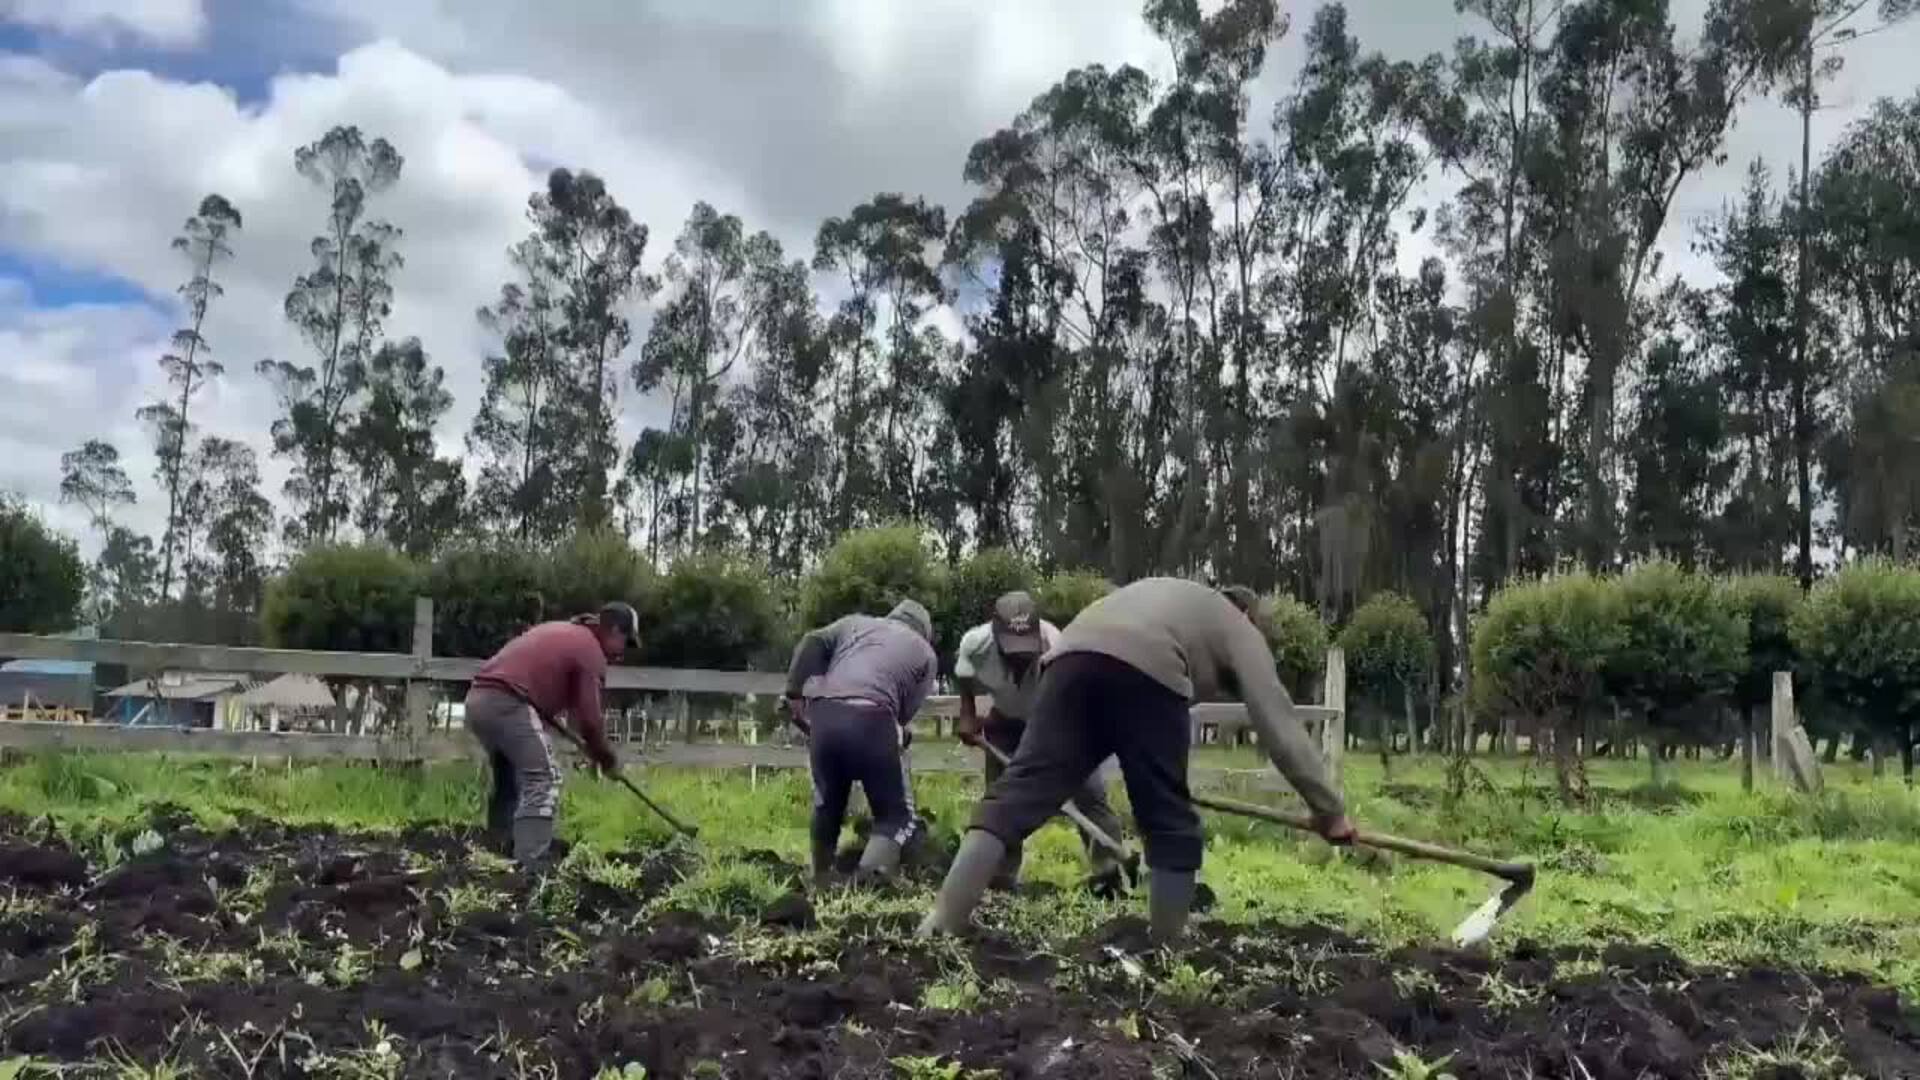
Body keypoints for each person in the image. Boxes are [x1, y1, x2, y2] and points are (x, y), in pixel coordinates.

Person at [919, 578, 1355, 944]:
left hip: (1068, 662)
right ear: (1248, 616)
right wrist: (1329, 811)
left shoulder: (1174, 599)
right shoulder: (1240, 630)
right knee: (1167, 817)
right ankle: (1166, 948)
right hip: (1148, 664)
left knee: (1016, 792)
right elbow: (1279, 724)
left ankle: (940, 925)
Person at [954, 590, 1125, 893]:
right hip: (1006, 724)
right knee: (1002, 799)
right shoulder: (975, 644)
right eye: (1012, 650)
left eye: (1025, 650)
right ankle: (1001, 880)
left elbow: (1068, 701)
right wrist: (968, 715)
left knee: (1089, 794)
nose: (1020, 659)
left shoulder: (1056, 643)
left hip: (1060, 720)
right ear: (995, 632)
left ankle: (1109, 873)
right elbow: (965, 680)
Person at [465, 602, 636, 868]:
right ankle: (532, 863)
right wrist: (607, 759)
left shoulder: (563, 631)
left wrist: (594, 749)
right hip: (508, 700)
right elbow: (590, 721)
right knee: (545, 777)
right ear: (614, 630)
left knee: (509, 777)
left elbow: (575, 715)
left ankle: (499, 850)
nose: (622, 655)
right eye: (626, 643)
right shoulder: (589, 650)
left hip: (479, 699)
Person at [782, 599, 937, 883]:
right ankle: (866, 883)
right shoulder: (925, 654)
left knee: (828, 805)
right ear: (924, 632)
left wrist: (794, 694)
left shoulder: (853, 623)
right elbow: (901, 717)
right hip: (874, 718)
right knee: (896, 817)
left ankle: (820, 878)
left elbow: (811, 640)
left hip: (824, 715)